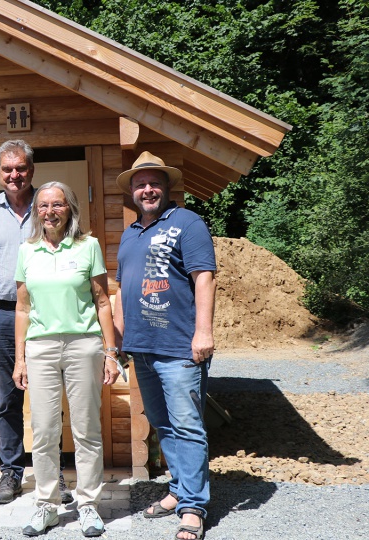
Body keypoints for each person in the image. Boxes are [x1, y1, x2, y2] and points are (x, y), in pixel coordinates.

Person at [113, 151, 216, 540]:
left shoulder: (187, 223)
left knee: (188, 426)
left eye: (154, 182)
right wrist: (117, 339)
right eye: (140, 184)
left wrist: (202, 332)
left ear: (167, 187)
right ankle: (179, 490)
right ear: (132, 192)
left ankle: (193, 507)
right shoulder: (130, 233)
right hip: (142, 348)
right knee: (164, 425)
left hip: (179, 346)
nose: (147, 189)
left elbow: (204, 277)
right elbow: (124, 289)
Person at [0, 140, 72, 505]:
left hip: (45, 314)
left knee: (48, 398)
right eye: (7, 169)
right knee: (7, 399)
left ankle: (52, 471)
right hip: (1, 314)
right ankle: (11, 471)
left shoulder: (50, 208)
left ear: (32, 170)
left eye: (21, 168)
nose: (15, 175)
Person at [13, 182, 120, 537]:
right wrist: (20, 359)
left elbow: (103, 302)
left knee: (86, 429)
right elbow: (22, 308)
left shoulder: (88, 246)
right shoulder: (27, 251)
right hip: (40, 348)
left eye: (57, 205)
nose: (49, 211)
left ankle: (88, 505)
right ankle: (47, 504)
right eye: (43, 206)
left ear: (69, 208)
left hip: (83, 345)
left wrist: (110, 351)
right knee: (44, 430)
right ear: (36, 211)